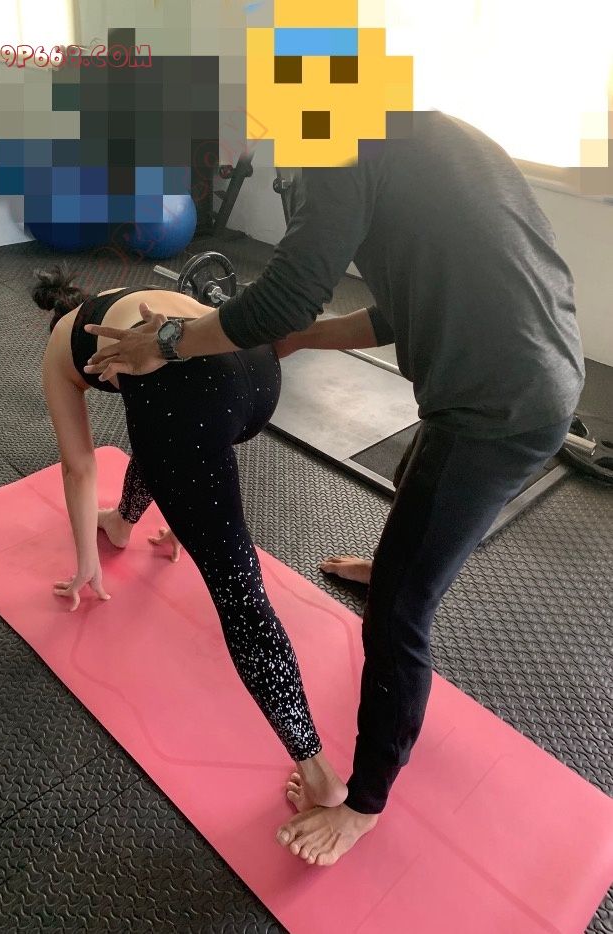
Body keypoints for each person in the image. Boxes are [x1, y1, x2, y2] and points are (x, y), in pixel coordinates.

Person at [84, 111, 585, 866]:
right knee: (420, 485)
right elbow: (397, 310)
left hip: (497, 407)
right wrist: (304, 337)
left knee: (397, 616)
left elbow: (284, 298)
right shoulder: (429, 134)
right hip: (535, 371)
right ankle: (394, 565)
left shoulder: (338, 136)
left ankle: (365, 804)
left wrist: (168, 340)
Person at [34, 264, 347, 831]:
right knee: (160, 427)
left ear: (57, 321)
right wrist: (187, 502)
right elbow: (185, 399)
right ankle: (124, 522)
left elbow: (79, 466)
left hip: (197, 402)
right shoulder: (123, 297)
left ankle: (318, 773)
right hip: (258, 373)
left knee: (240, 593)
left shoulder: (60, 350)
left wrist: (85, 564)